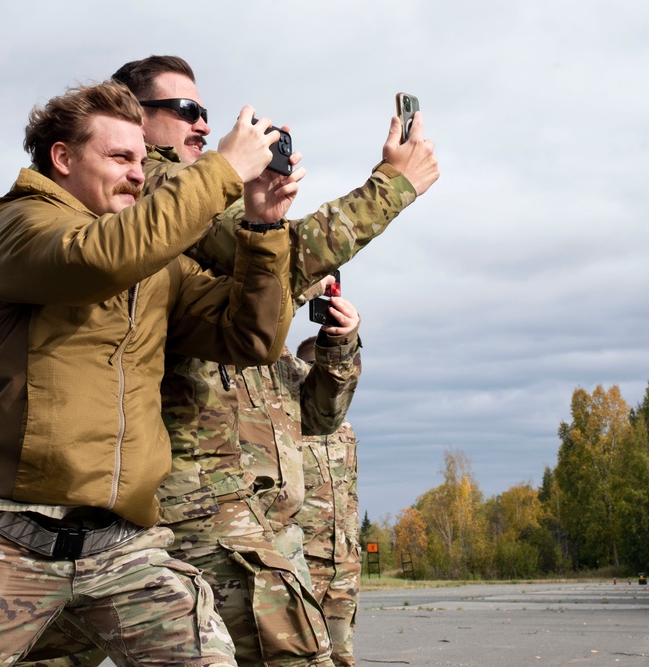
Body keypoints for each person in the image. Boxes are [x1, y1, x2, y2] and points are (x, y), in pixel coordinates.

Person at [22, 55, 437, 667]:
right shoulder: (161, 185)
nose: (200, 126)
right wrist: (392, 184)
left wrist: (262, 225)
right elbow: (294, 255)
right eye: (184, 111)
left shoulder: (193, 197)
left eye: (205, 114)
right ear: (135, 121)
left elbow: (269, 322)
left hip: (241, 506)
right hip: (199, 506)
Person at [0, 79, 300, 667]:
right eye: (120, 157)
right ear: (62, 159)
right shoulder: (17, 225)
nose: (140, 174)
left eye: (142, 159)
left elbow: (252, 336)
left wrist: (264, 228)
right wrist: (220, 171)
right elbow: (95, 258)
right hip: (12, 536)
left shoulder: (151, 256)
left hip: (124, 545)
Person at [295, 336, 361, 667]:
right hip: (300, 561)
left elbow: (350, 492)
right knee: (302, 655)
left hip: (342, 563)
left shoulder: (344, 430)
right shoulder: (286, 425)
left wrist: (352, 550)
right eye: (311, 367)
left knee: (341, 656)